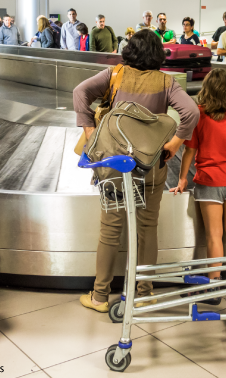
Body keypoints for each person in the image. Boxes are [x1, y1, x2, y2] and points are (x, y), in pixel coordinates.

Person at [74, 29, 200, 312]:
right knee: (147, 229)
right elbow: (191, 111)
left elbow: (79, 92)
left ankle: (100, 297)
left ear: (130, 49)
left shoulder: (114, 75)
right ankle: (144, 292)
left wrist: (90, 131)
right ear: (158, 54)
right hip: (152, 166)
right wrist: (175, 142)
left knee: (110, 230)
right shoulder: (166, 82)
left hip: (116, 167)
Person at [171, 69, 226, 304]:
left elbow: (189, 151)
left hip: (209, 181)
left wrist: (183, 178)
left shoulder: (199, 116)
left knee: (214, 236)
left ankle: (214, 288)